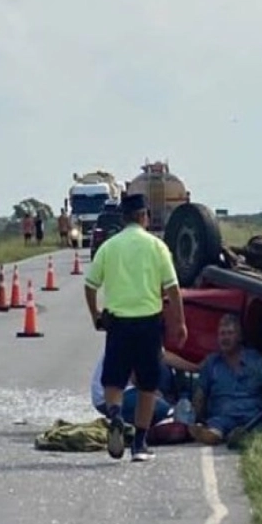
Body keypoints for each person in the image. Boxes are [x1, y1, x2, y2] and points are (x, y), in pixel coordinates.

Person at [84, 192, 188, 462]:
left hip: (118, 323)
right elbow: (173, 289)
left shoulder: (109, 247)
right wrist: (179, 323)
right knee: (147, 385)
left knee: (113, 379)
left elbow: (90, 285)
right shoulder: (157, 247)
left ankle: (115, 415)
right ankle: (140, 444)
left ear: (122, 218)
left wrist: (95, 314)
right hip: (148, 323)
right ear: (144, 217)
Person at [189, 314, 262, 446]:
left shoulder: (256, 360)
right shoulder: (212, 363)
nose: (225, 338)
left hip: (252, 415)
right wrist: (195, 419)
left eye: (230, 333)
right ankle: (217, 436)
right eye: (222, 334)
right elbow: (200, 395)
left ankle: (241, 436)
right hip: (223, 416)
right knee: (214, 431)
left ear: (239, 337)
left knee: (257, 429)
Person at [89, 347, 201, 426]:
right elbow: (133, 372)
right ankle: (119, 420)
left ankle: (173, 402)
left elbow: (163, 355)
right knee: (160, 409)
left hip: (132, 386)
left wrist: (196, 368)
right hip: (110, 397)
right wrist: (151, 392)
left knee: (163, 368)